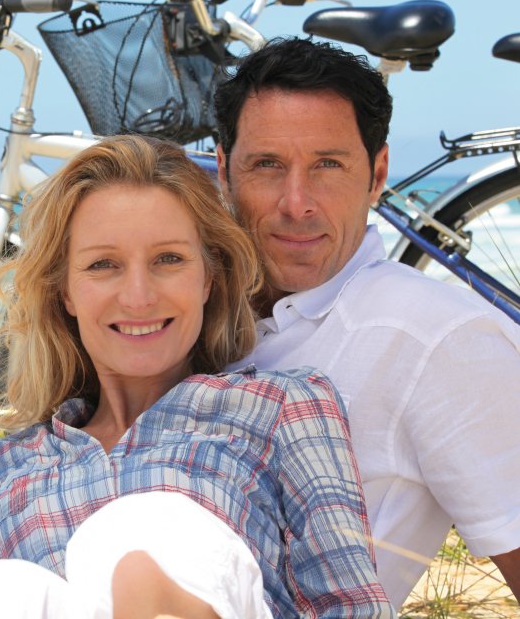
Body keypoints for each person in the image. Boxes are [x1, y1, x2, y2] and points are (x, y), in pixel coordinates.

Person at [0, 135, 393, 618]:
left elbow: (354, 608)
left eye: (168, 259)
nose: (138, 297)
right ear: (66, 292)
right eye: (103, 265)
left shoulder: (281, 406)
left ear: (208, 277)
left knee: (150, 529)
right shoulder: (5, 465)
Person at [213, 37, 520, 609]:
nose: (296, 203)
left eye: (328, 165)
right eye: (267, 165)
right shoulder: (180, 311)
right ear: (224, 169)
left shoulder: (437, 339)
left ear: (377, 175)